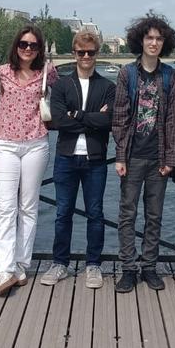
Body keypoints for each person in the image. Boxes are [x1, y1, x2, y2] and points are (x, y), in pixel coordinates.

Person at [111, 16, 175, 293]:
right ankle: (128, 268)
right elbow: (119, 117)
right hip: (132, 155)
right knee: (127, 214)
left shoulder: (170, 76)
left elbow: (174, 119)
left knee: (154, 215)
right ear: (140, 40)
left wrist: (170, 159)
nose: (154, 43)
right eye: (149, 38)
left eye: (159, 39)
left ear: (164, 43)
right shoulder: (127, 74)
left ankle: (149, 267)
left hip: (158, 158)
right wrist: (119, 155)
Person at [43, 29, 116, 289]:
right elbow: (60, 120)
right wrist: (92, 117)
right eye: (81, 52)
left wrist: (78, 115)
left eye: (91, 52)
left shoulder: (108, 86)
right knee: (63, 212)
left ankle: (93, 264)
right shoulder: (62, 84)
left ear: (97, 54)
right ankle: (59, 263)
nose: (86, 56)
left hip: (95, 158)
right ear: (74, 54)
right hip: (66, 156)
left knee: (95, 213)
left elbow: (108, 122)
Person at [0, 25, 58, 297]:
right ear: (16, 46)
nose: (28, 49)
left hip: (35, 143)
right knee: (6, 207)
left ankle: (21, 264)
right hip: (6, 142)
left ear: (40, 49)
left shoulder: (47, 73)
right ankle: (3, 268)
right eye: (23, 44)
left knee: (28, 207)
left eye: (33, 45)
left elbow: (66, 92)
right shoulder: (2, 72)